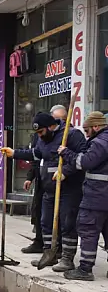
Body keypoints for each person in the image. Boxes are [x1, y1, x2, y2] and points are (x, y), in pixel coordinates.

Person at [2, 112, 87, 271]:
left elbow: (84, 159)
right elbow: (35, 154)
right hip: (49, 189)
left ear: (50, 127)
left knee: (67, 223)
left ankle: (67, 258)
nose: (39, 136)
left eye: (41, 132)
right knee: (45, 221)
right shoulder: (43, 141)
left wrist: (66, 171)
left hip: (68, 189)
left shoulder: (72, 135)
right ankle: (49, 253)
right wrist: (14, 153)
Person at [58, 111, 108, 280]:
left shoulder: (100, 143)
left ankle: (85, 269)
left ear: (96, 126)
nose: (86, 134)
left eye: (87, 131)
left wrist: (66, 153)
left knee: (88, 230)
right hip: (103, 196)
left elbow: (85, 163)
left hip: (97, 196)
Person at [21, 104, 69, 254]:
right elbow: (35, 156)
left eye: (61, 119)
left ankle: (57, 247)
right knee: (40, 212)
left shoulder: (68, 134)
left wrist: (65, 171)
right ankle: (40, 241)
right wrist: (31, 176)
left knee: (60, 217)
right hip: (43, 178)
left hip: (60, 182)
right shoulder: (41, 135)